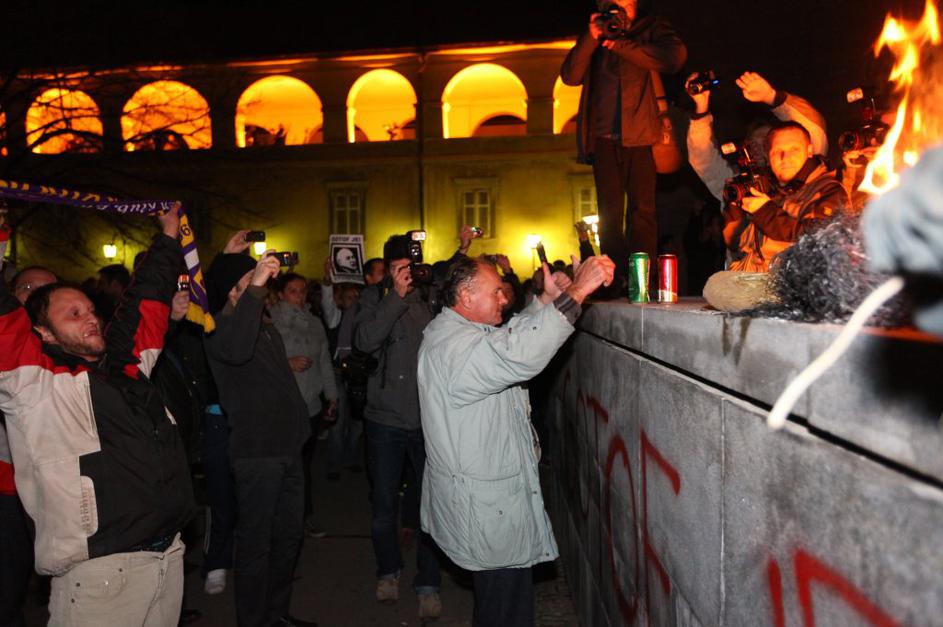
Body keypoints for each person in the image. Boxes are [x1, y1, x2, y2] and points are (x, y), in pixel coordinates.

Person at [0, 209, 194, 627]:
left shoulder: (125, 366)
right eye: (72, 314)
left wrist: (167, 236)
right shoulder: (36, 384)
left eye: (90, 309)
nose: (89, 316)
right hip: (103, 577)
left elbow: (145, 302)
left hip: (167, 558)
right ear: (43, 333)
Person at [417, 253, 615, 626]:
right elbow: (515, 352)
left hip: (488, 506)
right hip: (486, 511)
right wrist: (576, 292)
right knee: (504, 611)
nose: (504, 298)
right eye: (496, 291)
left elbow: (505, 338)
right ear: (466, 296)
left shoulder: (460, 331)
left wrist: (546, 301)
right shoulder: (453, 348)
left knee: (503, 605)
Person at [204, 247, 316, 627]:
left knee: (287, 540)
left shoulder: (263, 325)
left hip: (287, 448)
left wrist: (300, 429)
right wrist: (251, 288)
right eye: (247, 283)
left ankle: (276, 614)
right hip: (257, 454)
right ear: (231, 292)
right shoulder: (219, 329)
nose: (259, 287)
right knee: (256, 546)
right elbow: (237, 350)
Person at [560, 0, 686, 290]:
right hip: (602, 138)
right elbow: (570, 76)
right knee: (609, 214)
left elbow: (673, 59)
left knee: (643, 212)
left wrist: (620, 44)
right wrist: (591, 36)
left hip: (642, 135)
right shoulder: (599, 31)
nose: (617, 6)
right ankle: (614, 281)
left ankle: (641, 282)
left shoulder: (650, 26)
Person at [353, 233, 445, 620]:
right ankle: (388, 572)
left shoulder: (429, 296)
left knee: (429, 506)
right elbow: (363, 340)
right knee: (384, 505)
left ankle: (428, 583)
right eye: (399, 267)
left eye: (411, 266)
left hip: (426, 419)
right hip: (384, 419)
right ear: (389, 268)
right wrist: (395, 296)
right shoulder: (374, 298)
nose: (408, 273)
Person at [685, 71, 836, 271]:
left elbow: (813, 129)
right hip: (743, 277)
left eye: (765, 142)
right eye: (753, 143)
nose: (760, 149)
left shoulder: (807, 179)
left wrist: (773, 97)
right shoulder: (741, 183)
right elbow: (703, 159)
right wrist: (701, 109)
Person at [0, 263, 56, 627]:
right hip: (6, 487)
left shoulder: (62, 352)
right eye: (28, 289)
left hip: (50, 486)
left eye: (47, 292)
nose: (36, 297)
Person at [269, 272, 338, 539]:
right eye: (293, 291)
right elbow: (259, 360)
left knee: (303, 465)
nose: (299, 297)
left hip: (310, 405)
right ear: (281, 294)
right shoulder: (271, 320)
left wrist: (332, 396)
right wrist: (287, 363)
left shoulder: (314, 322)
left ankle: (304, 515)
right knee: (285, 466)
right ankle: (280, 518)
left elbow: (324, 361)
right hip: (282, 406)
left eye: (303, 291)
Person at [731, 121, 850, 271]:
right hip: (747, 280)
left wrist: (764, 212)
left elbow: (819, 238)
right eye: (776, 151)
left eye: (794, 150)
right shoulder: (771, 190)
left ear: (809, 151)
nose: (785, 157)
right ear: (767, 155)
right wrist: (735, 211)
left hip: (790, 284)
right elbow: (738, 245)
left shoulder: (829, 189)